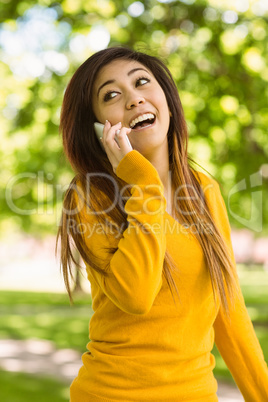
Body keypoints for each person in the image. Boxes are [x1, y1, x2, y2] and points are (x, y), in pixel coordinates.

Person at [56, 47, 268, 401]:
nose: (134, 99)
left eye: (142, 82)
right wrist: (144, 184)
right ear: (98, 127)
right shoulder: (90, 197)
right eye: (111, 95)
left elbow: (230, 312)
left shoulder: (205, 191)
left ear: (167, 99)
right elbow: (136, 295)